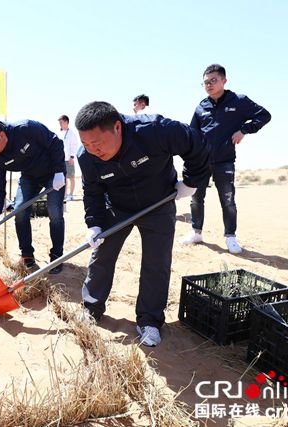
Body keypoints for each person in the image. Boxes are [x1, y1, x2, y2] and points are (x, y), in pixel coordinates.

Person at [75, 101, 209, 346]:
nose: (93, 150)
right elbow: (92, 191)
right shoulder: (87, 157)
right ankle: (91, 307)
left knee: (156, 263)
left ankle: (149, 320)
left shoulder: (153, 130)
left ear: (117, 127)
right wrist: (94, 224)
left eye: (97, 143)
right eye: (86, 144)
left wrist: (191, 182)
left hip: (158, 204)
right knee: (101, 255)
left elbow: (196, 144)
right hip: (117, 208)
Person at [181, 64, 271, 254]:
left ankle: (230, 237)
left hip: (225, 161)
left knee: (228, 200)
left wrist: (244, 130)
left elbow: (264, 115)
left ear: (224, 80)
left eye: (213, 80)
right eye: (206, 82)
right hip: (201, 161)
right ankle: (196, 232)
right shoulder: (201, 107)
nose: (209, 85)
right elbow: (192, 134)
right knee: (196, 198)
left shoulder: (238, 101)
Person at [0, 117, 66, 274]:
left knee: (54, 211)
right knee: (19, 211)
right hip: (30, 177)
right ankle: (27, 255)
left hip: (53, 172)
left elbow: (55, 142)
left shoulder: (26, 128)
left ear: (2, 135)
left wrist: (59, 171)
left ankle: (57, 256)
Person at [58, 115, 80, 201]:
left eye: (61, 122)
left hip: (69, 159)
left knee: (71, 177)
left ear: (66, 122)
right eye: (59, 123)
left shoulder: (71, 134)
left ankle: (71, 195)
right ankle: (65, 195)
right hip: (61, 159)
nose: (60, 124)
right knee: (63, 178)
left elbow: (74, 146)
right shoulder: (59, 133)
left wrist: (71, 157)